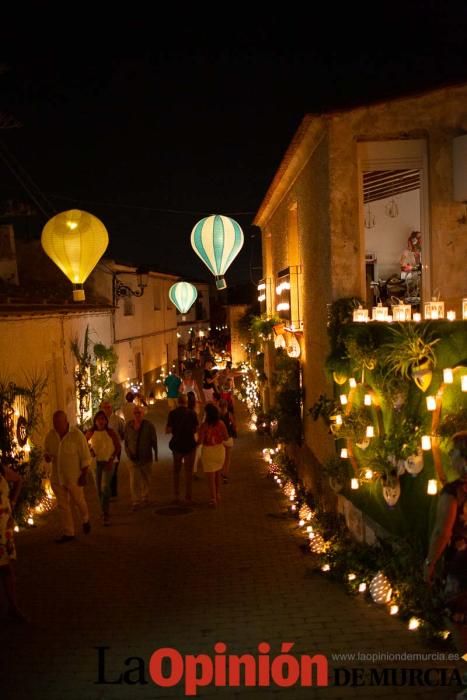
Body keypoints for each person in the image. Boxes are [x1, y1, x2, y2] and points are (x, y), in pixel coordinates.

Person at [424, 431, 467, 660]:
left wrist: (430, 563)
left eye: (453, 451)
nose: (449, 455)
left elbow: (442, 531)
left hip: (462, 568)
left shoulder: (454, 492)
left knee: (458, 622)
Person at [43, 410, 92, 543]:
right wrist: (47, 457)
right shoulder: (50, 436)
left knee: (78, 501)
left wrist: (84, 474)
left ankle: (85, 518)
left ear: (65, 422)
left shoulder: (77, 435)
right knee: (63, 506)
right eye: (55, 423)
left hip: (73, 477)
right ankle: (69, 532)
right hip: (57, 478)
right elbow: (46, 452)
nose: (56, 426)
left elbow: (85, 457)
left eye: (59, 423)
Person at [85, 411, 121, 526]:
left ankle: (106, 514)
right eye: (99, 419)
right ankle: (103, 510)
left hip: (108, 462)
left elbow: (118, 447)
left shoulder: (110, 432)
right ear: (95, 421)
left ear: (106, 421)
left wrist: (111, 459)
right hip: (96, 463)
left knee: (105, 487)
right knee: (98, 489)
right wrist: (90, 451)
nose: (101, 421)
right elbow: (84, 444)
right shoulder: (91, 433)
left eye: (103, 419)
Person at [0, 461, 24, 621]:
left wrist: (12, 502)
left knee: (6, 565)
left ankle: (13, 607)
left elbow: (18, 480)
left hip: (3, 525)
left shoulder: (1, 470)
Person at [165, 394, 199, 504]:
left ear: (177, 402)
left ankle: (176, 495)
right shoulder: (192, 413)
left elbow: (169, 429)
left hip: (177, 444)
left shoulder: (172, 414)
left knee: (176, 471)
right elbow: (196, 429)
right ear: (186, 402)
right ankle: (188, 496)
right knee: (188, 472)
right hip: (189, 444)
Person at [124, 405, 158, 511]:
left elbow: (154, 440)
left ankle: (145, 497)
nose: (137, 415)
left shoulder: (149, 425)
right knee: (134, 480)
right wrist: (128, 452)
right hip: (132, 458)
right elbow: (126, 441)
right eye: (135, 413)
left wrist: (156, 453)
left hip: (146, 457)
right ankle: (136, 501)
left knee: (146, 478)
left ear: (143, 414)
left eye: (139, 413)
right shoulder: (128, 426)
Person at [197, 403, 229, 507]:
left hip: (208, 451)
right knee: (217, 475)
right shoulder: (221, 424)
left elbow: (200, 441)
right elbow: (226, 437)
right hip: (219, 451)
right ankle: (218, 494)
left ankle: (213, 498)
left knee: (210, 477)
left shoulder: (204, 426)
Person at [100, 400, 125, 498]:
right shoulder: (99, 419)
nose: (107, 409)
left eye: (108, 407)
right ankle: (105, 490)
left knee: (114, 470)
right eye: (105, 407)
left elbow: (123, 432)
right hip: (102, 449)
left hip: (115, 448)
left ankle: (113, 492)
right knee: (104, 471)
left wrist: (118, 441)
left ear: (111, 408)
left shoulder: (117, 419)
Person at [218, 398, 237, 484]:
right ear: (226, 406)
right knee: (227, 458)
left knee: (221, 458)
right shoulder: (229, 415)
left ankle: (220, 472)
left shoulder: (217, 416)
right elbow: (234, 426)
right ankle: (225, 475)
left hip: (220, 440)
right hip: (228, 438)